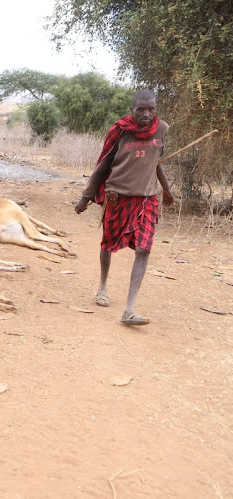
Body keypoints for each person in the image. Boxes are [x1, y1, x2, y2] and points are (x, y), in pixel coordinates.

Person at [75, 89, 174, 325]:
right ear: (132, 110)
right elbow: (103, 165)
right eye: (141, 109)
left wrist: (167, 190)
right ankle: (102, 286)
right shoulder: (119, 130)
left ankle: (129, 309)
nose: (146, 114)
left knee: (144, 249)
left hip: (147, 199)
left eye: (151, 109)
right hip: (117, 197)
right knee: (108, 244)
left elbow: (155, 162)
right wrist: (86, 197)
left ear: (156, 108)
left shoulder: (162, 129)